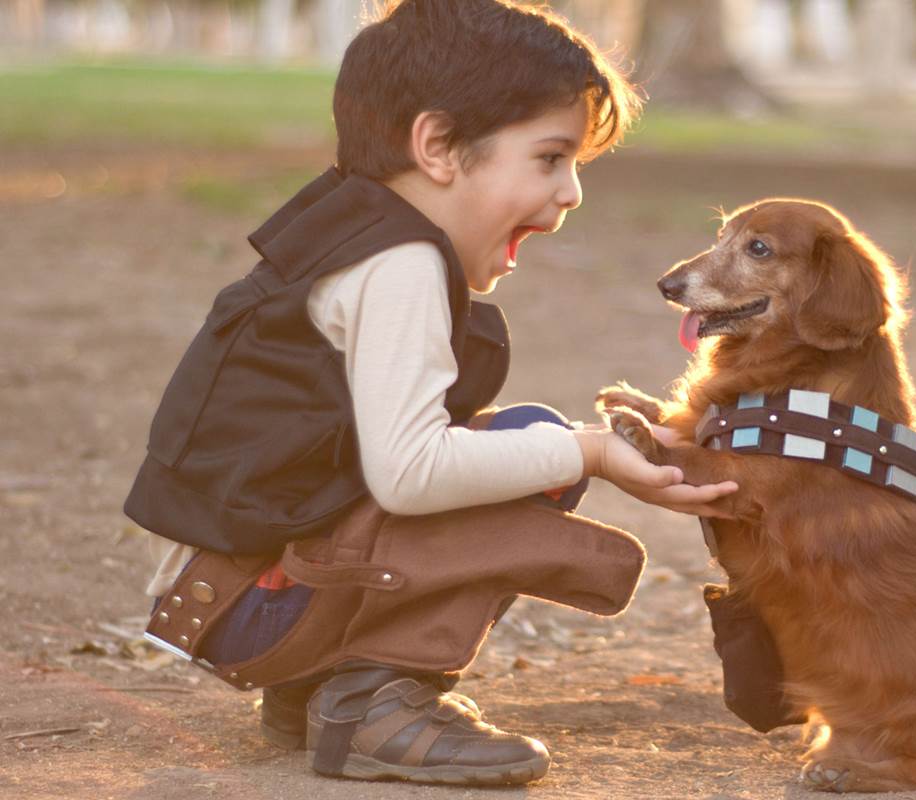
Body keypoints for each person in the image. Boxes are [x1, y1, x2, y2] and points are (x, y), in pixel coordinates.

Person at [125, 0, 738, 787]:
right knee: (539, 448)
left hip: (229, 590)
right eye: (551, 158)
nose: (572, 192)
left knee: (518, 440)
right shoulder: (400, 266)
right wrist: (591, 450)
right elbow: (408, 474)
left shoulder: (350, 231)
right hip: (245, 607)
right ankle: (368, 702)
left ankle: (315, 688)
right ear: (439, 146)